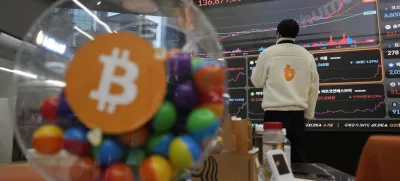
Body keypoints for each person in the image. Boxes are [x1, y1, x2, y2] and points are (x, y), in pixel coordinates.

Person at [251, 19, 319, 163]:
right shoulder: (307, 56)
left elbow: (257, 82)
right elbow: (313, 88)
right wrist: (309, 114)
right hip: (297, 116)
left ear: (278, 34)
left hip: (273, 116)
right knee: (297, 159)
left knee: (273, 159)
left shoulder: (267, 53)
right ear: (296, 35)